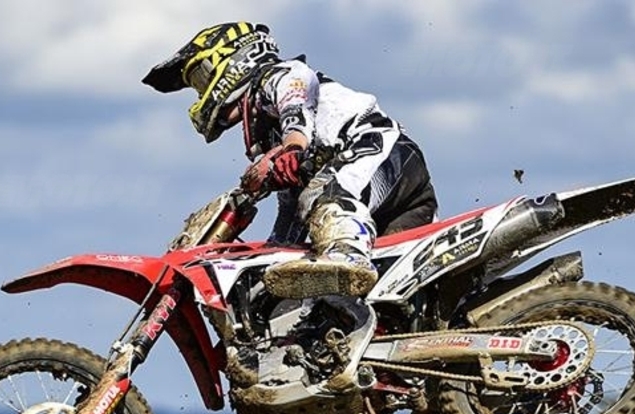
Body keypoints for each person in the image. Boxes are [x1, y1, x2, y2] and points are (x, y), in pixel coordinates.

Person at [143, 21, 438, 299]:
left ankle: (348, 257)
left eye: (199, 78)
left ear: (233, 59)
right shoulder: (269, 134)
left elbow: (297, 95)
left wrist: (293, 146)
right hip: (389, 204)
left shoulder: (278, 77)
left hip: (384, 153)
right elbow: (291, 209)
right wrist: (274, 256)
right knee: (303, 245)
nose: (200, 92)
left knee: (325, 194)